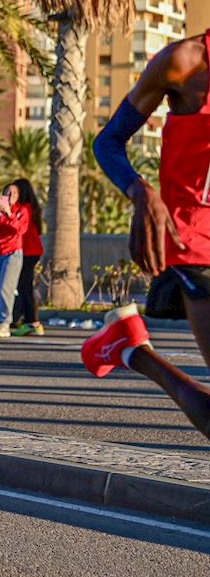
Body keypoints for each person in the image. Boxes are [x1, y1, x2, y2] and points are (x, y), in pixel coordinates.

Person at [85, 32, 210, 440]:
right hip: (195, 243)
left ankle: (129, 346)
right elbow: (108, 143)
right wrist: (140, 191)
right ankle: (133, 352)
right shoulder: (184, 61)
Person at [0, 184, 27, 338]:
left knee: (6, 288)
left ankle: (5, 323)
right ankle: (0, 320)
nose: (10, 195)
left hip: (13, 253)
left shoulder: (22, 210)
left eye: (14, 192)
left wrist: (9, 214)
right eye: (8, 192)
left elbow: (20, 230)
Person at [10, 178, 45, 336]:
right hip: (32, 251)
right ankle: (27, 319)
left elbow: (18, 227)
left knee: (24, 287)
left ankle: (32, 321)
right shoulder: (32, 208)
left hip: (27, 251)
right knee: (24, 286)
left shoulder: (24, 208)